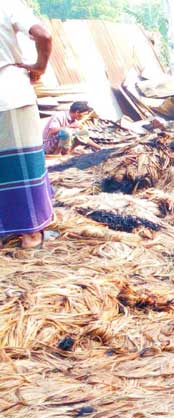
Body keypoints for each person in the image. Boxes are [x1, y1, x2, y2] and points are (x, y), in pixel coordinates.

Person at [1, 0, 55, 249]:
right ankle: (31, 234)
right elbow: (44, 35)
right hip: (10, 94)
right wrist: (40, 67)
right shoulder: (8, 5)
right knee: (24, 166)